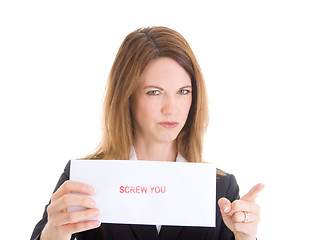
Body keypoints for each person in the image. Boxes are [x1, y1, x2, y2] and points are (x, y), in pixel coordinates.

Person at [31, 26, 264, 240]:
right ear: (127, 96)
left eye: (183, 91)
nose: (171, 109)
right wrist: (53, 234)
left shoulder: (219, 188)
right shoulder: (85, 180)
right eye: (154, 92)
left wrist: (246, 238)